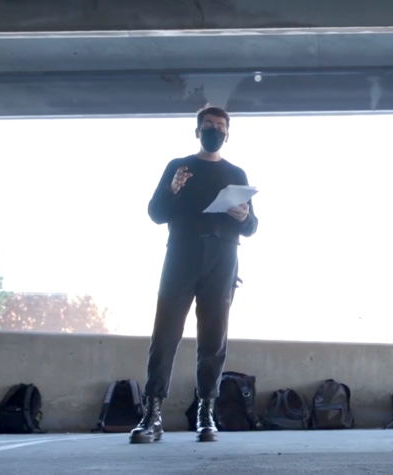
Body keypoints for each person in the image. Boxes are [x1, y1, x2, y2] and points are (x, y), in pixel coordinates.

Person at [130, 105, 258, 444]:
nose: (214, 130)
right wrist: (172, 189)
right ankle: (152, 412)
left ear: (228, 133)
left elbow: (253, 227)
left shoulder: (237, 173)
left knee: (214, 340)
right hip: (181, 255)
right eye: (208, 125)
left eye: (220, 126)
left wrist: (243, 214)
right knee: (165, 334)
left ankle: (206, 412)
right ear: (197, 131)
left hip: (223, 257)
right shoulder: (178, 167)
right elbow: (156, 214)